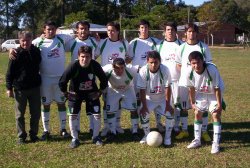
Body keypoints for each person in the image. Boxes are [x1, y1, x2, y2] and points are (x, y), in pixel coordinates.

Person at [59, 46, 108, 148]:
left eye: (87, 57)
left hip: (91, 92)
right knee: (72, 115)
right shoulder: (73, 66)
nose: (84, 59)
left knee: (97, 114)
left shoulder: (95, 65)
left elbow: (104, 79)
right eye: (82, 56)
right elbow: (62, 81)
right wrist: (66, 93)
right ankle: (75, 138)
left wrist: (99, 92)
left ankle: (96, 137)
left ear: (91, 57)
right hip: (75, 93)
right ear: (78, 56)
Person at [32, 20, 72, 140]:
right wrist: (12, 51)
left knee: (61, 103)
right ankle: (46, 131)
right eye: (48, 29)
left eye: (53, 29)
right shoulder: (38, 42)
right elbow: (24, 46)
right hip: (45, 79)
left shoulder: (61, 38)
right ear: (44, 30)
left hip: (60, 79)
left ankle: (63, 129)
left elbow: (74, 37)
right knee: (46, 104)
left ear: (56, 30)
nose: (50, 31)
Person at [175, 23, 212, 141]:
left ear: (197, 33)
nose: (191, 34)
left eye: (193, 31)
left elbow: (209, 65)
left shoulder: (203, 47)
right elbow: (179, 65)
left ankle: (204, 131)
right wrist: (188, 76)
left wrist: (198, 77)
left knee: (203, 108)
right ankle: (184, 130)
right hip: (184, 83)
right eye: (189, 31)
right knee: (184, 107)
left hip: (201, 83)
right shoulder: (181, 47)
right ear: (185, 33)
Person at [185, 51, 225, 154]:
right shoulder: (189, 72)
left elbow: (217, 88)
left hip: (213, 93)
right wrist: (193, 103)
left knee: (216, 114)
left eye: (198, 62)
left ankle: (215, 143)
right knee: (197, 113)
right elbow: (192, 89)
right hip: (201, 93)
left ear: (203, 61)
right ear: (190, 63)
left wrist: (220, 105)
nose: (196, 65)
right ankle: (197, 140)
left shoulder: (211, 69)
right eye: (193, 63)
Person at [128, 19, 164, 133]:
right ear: (139, 29)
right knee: (137, 101)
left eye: (146, 27)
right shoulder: (133, 43)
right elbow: (128, 58)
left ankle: (159, 123)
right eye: (142, 27)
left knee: (155, 98)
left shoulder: (155, 42)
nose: (144, 30)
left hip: (154, 77)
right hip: (138, 77)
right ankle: (136, 126)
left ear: (149, 28)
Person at [6, 31, 41, 144]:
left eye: (27, 40)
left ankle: (34, 135)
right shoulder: (15, 53)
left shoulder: (36, 51)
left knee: (35, 113)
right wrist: (9, 88)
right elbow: (9, 73)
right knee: (19, 115)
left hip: (35, 87)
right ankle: (21, 136)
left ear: (31, 40)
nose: (25, 43)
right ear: (19, 41)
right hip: (20, 89)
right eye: (23, 41)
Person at [96, 22, 129, 136]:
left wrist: (125, 69)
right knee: (106, 102)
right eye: (108, 30)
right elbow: (94, 56)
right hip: (107, 79)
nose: (110, 32)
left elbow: (128, 58)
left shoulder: (124, 43)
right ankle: (106, 126)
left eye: (113, 30)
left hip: (120, 77)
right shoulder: (103, 43)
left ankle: (117, 125)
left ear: (118, 31)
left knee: (118, 101)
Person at [66, 20, 99, 135]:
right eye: (81, 28)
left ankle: (91, 128)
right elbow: (60, 47)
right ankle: (77, 128)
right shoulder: (72, 42)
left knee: (91, 104)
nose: (83, 31)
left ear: (88, 30)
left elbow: (97, 54)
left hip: (90, 78)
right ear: (77, 30)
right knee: (76, 105)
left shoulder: (94, 42)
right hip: (75, 80)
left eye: (85, 28)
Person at [137, 51, 174, 146]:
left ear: (160, 62)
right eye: (151, 62)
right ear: (147, 61)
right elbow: (142, 90)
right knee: (144, 114)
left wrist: (167, 104)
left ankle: (167, 137)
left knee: (170, 113)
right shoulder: (143, 71)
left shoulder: (165, 70)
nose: (153, 65)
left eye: (156, 62)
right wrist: (144, 106)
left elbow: (167, 88)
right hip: (149, 98)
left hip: (162, 98)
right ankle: (146, 135)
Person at [102, 58, 140, 142]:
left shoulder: (130, 69)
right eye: (117, 68)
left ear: (125, 66)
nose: (120, 70)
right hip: (113, 90)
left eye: (122, 68)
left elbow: (142, 69)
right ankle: (112, 132)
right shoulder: (107, 69)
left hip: (128, 89)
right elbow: (96, 69)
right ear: (113, 67)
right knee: (110, 111)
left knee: (134, 110)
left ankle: (135, 132)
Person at [157, 22, 183, 134]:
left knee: (177, 104)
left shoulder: (182, 45)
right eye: (168, 29)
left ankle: (176, 125)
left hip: (177, 80)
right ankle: (159, 124)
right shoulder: (159, 46)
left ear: (175, 31)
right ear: (165, 32)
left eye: (172, 29)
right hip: (162, 81)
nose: (170, 32)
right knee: (159, 102)